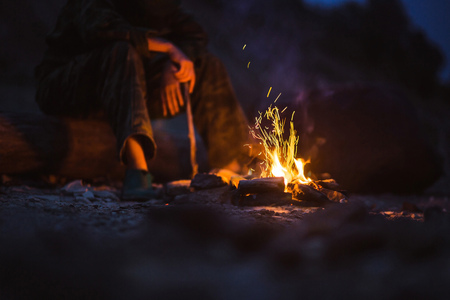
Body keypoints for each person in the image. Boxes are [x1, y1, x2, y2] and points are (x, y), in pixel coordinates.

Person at [35, 0, 252, 200]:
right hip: (70, 92)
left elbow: (195, 35)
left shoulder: (161, 9)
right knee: (122, 51)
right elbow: (102, 29)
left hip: (128, 93)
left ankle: (230, 166)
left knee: (205, 64)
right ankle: (137, 171)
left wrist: (173, 62)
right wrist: (168, 48)